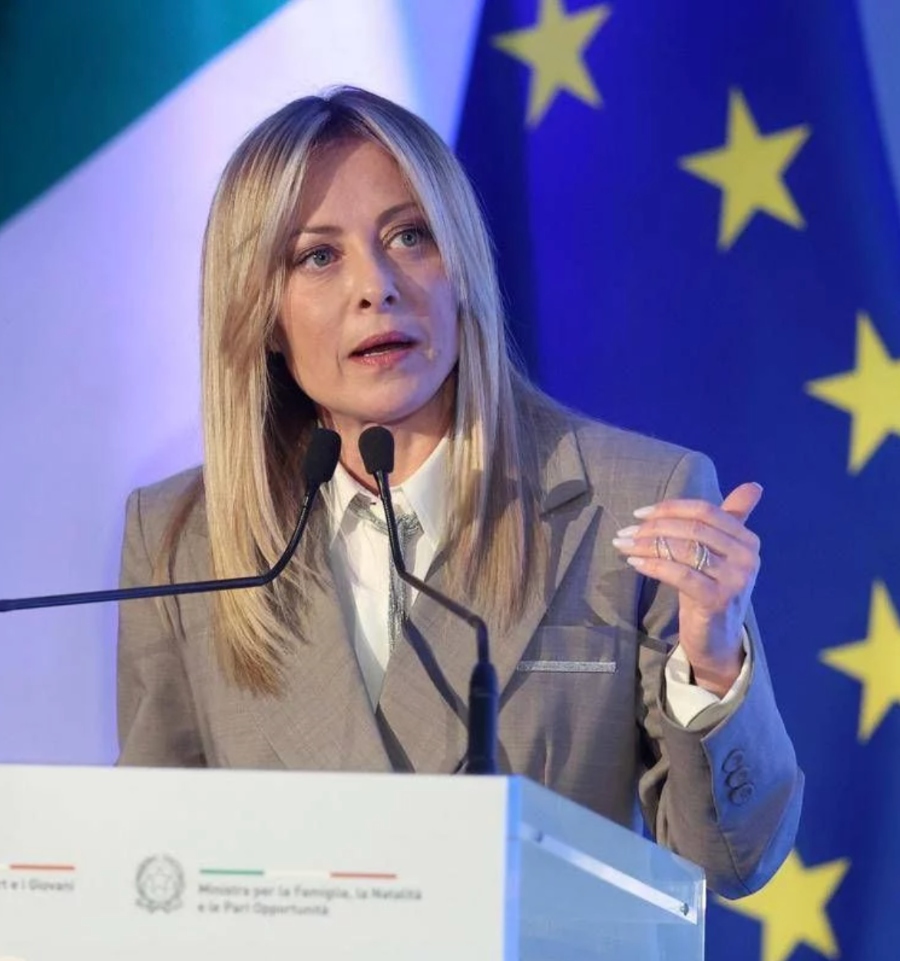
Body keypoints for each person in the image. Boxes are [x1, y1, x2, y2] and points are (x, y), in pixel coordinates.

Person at [116, 86, 802, 898]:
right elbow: (149, 873)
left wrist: (714, 665)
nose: (376, 286)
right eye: (318, 256)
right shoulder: (180, 541)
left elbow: (730, 860)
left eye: (410, 236)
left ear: (463, 266)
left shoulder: (631, 501)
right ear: (262, 311)